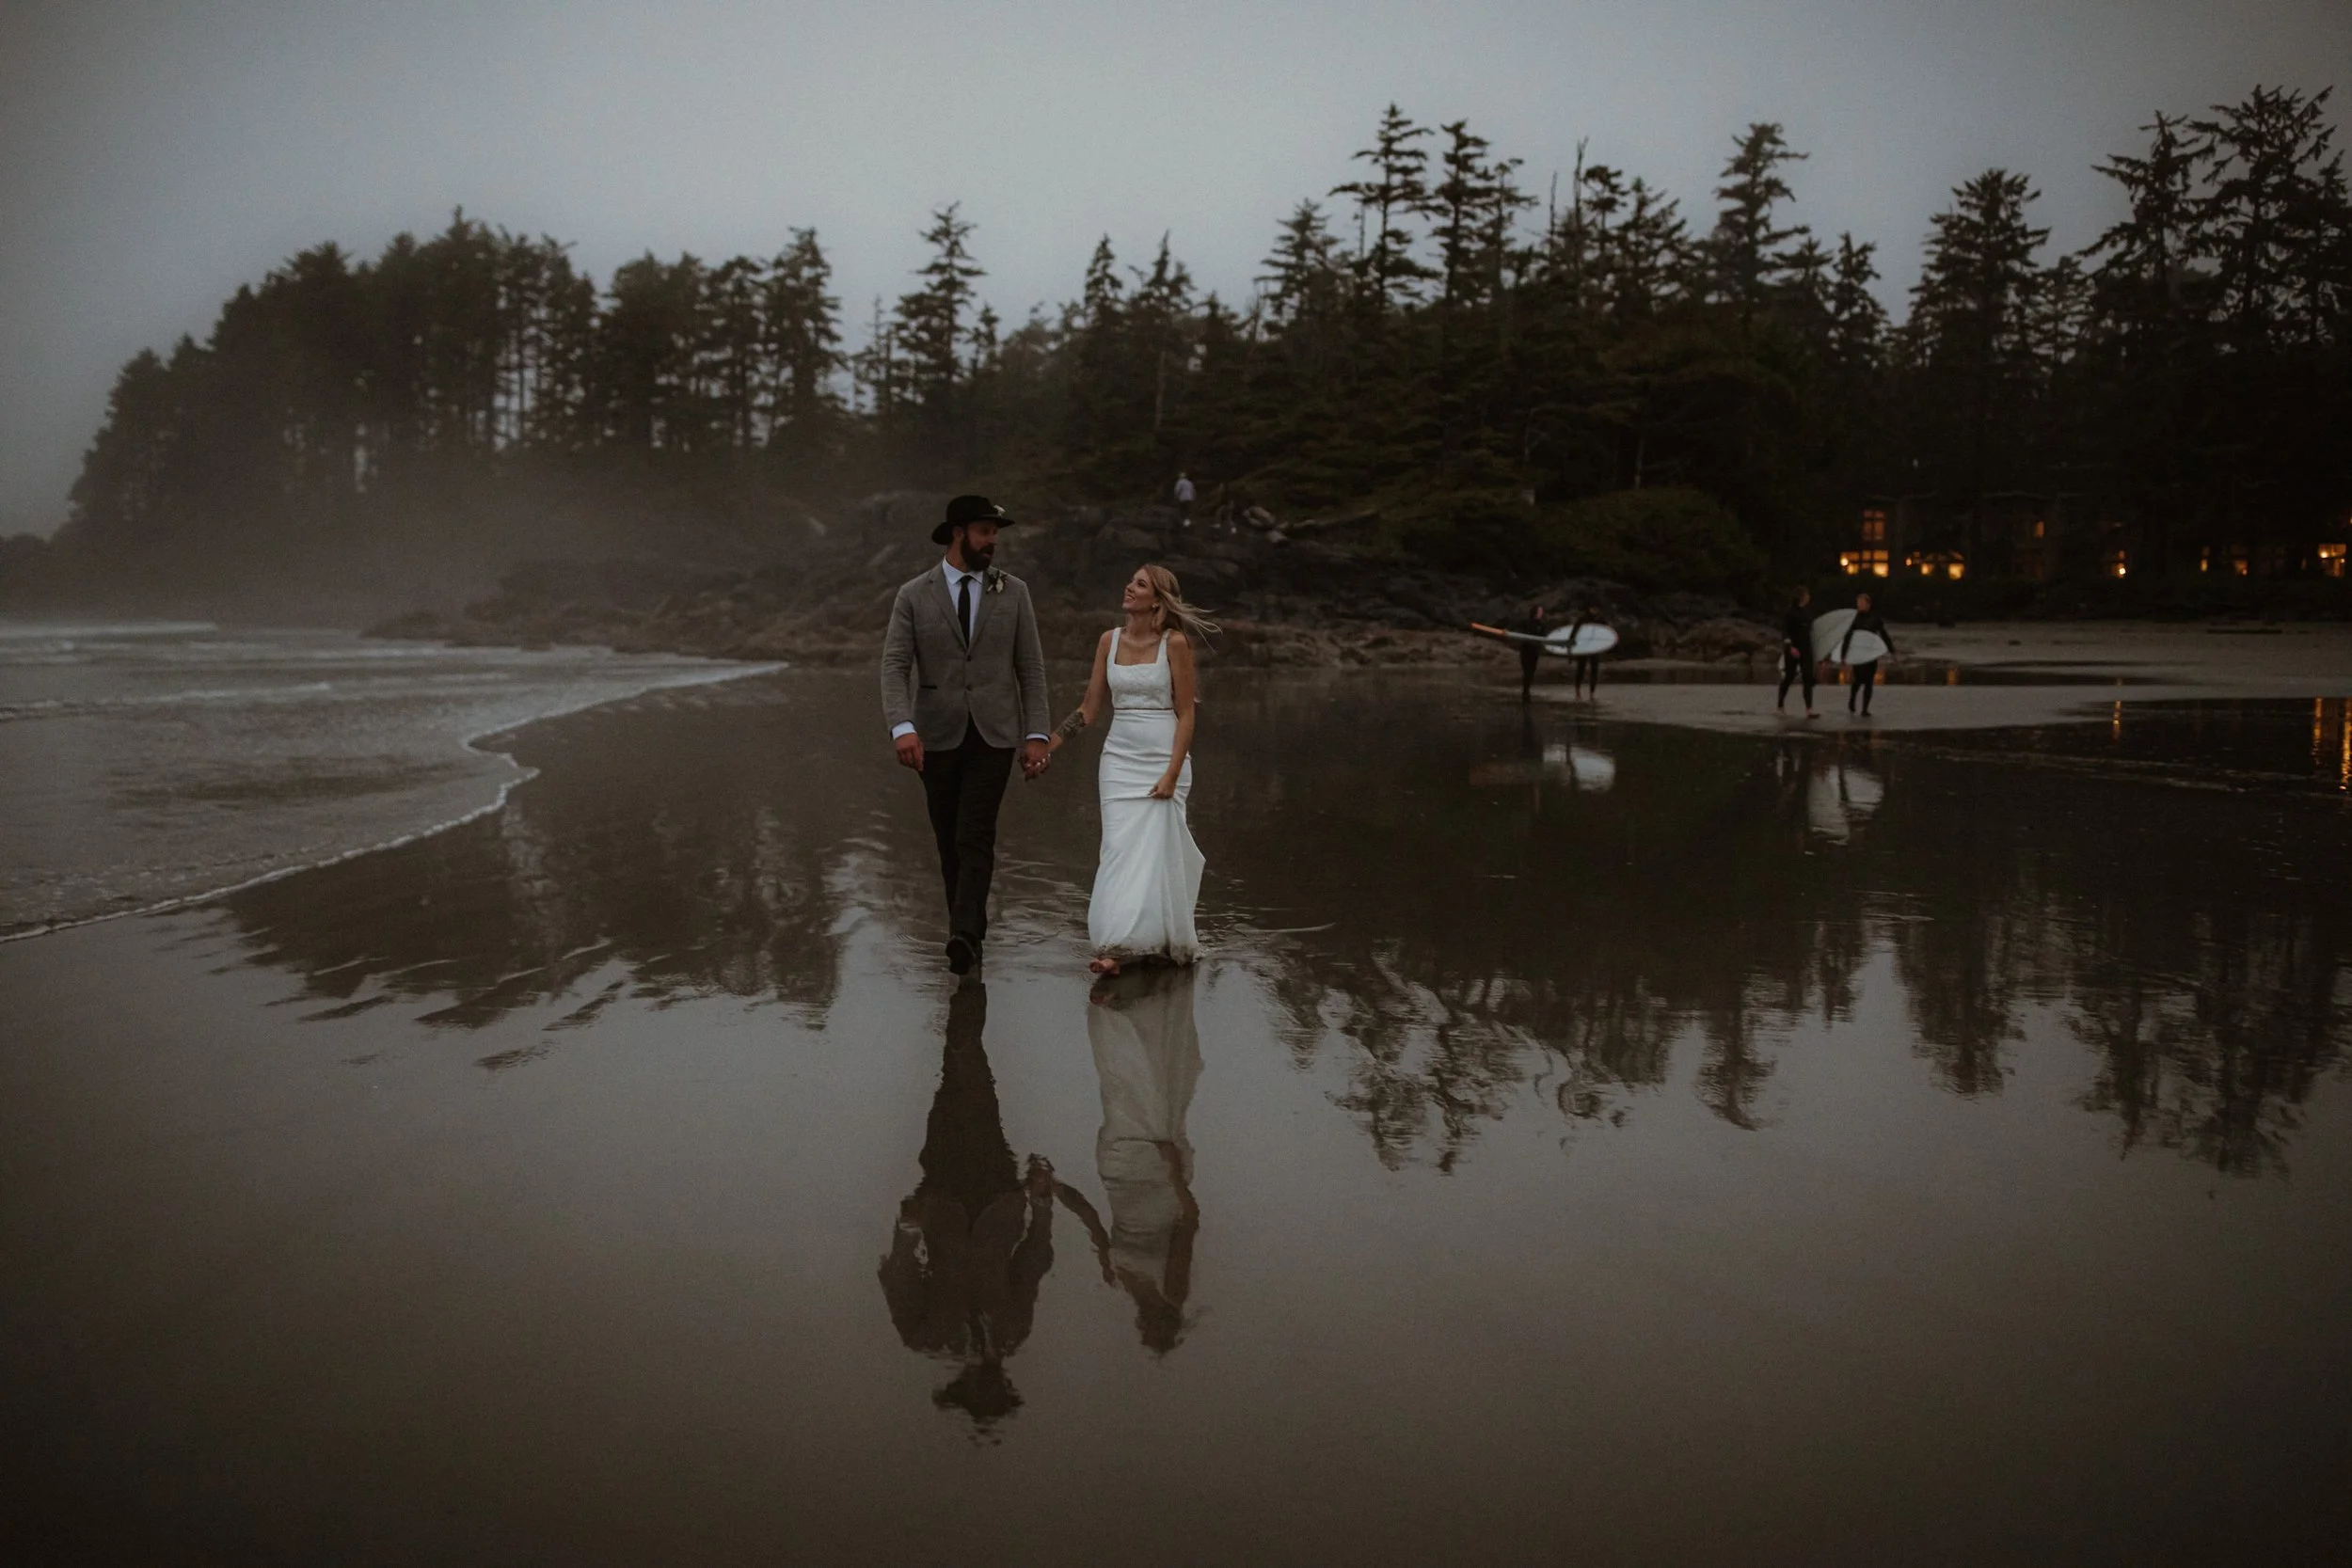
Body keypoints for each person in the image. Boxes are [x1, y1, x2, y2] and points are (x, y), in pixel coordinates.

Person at [878, 979, 1108, 1433]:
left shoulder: (927, 1338)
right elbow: (1033, 1261)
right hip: (997, 1195)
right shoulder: (1012, 1333)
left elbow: (898, 1277)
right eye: (1000, 1392)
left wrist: (908, 1230)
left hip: (943, 1196)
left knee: (952, 1096)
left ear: (966, 1390)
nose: (995, 1386)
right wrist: (1040, 1202)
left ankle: (965, 1011)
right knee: (979, 1098)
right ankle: (968, 1010)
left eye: (987, 1395)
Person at [880, 495, 1052, 975]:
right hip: (933, 734)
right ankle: (969, 926)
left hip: (995, 733)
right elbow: (894, 667)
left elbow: (1031, 668)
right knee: (947, 836)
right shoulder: (913, 594)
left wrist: (1037, 733)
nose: (993, 541)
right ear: (959, 533)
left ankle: (963, 935)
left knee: (975, 833)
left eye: (996, 533)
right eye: (985, 532)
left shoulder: (1014, 591)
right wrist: (902, 727)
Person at [1049, 563, 1216, 976]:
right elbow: (1089, 709)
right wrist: (1049, 743)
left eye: (1139, 584)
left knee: (1156, 852)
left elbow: (1186, 716)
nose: (1129, 587)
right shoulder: (1108, 641)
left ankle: (1134, 946)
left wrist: (1172, 774)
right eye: (1130, 580)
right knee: (1120, 852)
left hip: (1164, 758)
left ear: (1157, 600)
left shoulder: (1174, 644)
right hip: (1118, 761)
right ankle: (1117, 942)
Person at [1085, 966, 1203, 1355]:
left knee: (1119, 1088)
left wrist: (1051, 1188)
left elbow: (1093, 1223)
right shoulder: (1173, 1292)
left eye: (1145, 1331)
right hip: (1157, 1178)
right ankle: (1150, 996)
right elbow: (1188, 1223)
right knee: (1150, 1086)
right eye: (1154, 1330)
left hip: (1117, 1172)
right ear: (1167, 1323)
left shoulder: (1118, 1279)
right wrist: (1172, 1170)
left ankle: (1121, 1007)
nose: (1145, 1326)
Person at [1839, 592, 1896, 718]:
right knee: (1858, 680)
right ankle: (1852, 699)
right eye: (1858, 603)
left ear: (1868, 604)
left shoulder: (1875, 618)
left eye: (1862, 602)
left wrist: (1892, 651)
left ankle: (1865, 709)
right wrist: (1844, 655)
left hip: (1870, 654)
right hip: (1858, 654)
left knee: (1869, 681)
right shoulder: (1854, 618)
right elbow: (1847, 637)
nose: (1859, 605)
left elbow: (1883, 634)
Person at [1776, 585, 1819, 718]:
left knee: (1808, 677)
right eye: (1807, 595)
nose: (1809, 597)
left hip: (1806, 648)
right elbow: (1785, 631)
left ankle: (1809, 709)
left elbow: (1812, 633)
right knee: (1789, 677)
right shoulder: (1790, 612)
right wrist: (1791, 647)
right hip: (1793, 649)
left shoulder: (1807, 612)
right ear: (1801, 597)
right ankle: (1780, 706)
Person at [1567, 604, 1606, 700]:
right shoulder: (1582, 619)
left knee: (1594, 670)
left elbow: (1607, 631)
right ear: (1589, 608)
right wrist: (1570, 649)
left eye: (1596, 608)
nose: (1595, 610)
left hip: (1594, 647)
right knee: (1581, 668)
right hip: (1583, 647)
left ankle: (1592, 693)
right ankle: (1578, 690)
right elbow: (1573, 633)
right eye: (1593, 608)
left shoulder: (1599, 619)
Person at [1514, 603, 1549, 703]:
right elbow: (1516, 628)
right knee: (1526, 671)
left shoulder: (1542, 625)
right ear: (1535, 612)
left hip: (1535, 651)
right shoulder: (1526, 622)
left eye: (1542, 611)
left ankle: (1527, 689)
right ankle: (1525, 691)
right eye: (1539, 611)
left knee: (1532, 671)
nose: (1541, 613)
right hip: (1525, 650)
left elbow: (1544, 637)